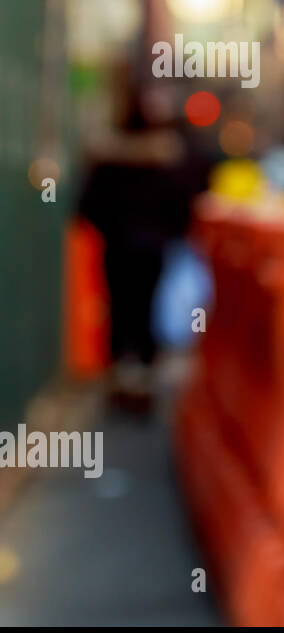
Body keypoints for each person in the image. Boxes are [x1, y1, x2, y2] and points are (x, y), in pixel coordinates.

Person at [78, 82, 209, 413]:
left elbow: (88, 206)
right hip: (149, 247)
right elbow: (190, 198)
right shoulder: (171, 154)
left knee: (122, 311)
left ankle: (125, 380)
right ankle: (140, 382)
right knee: (144, 311)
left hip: (123, 247)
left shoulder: (110, 154)